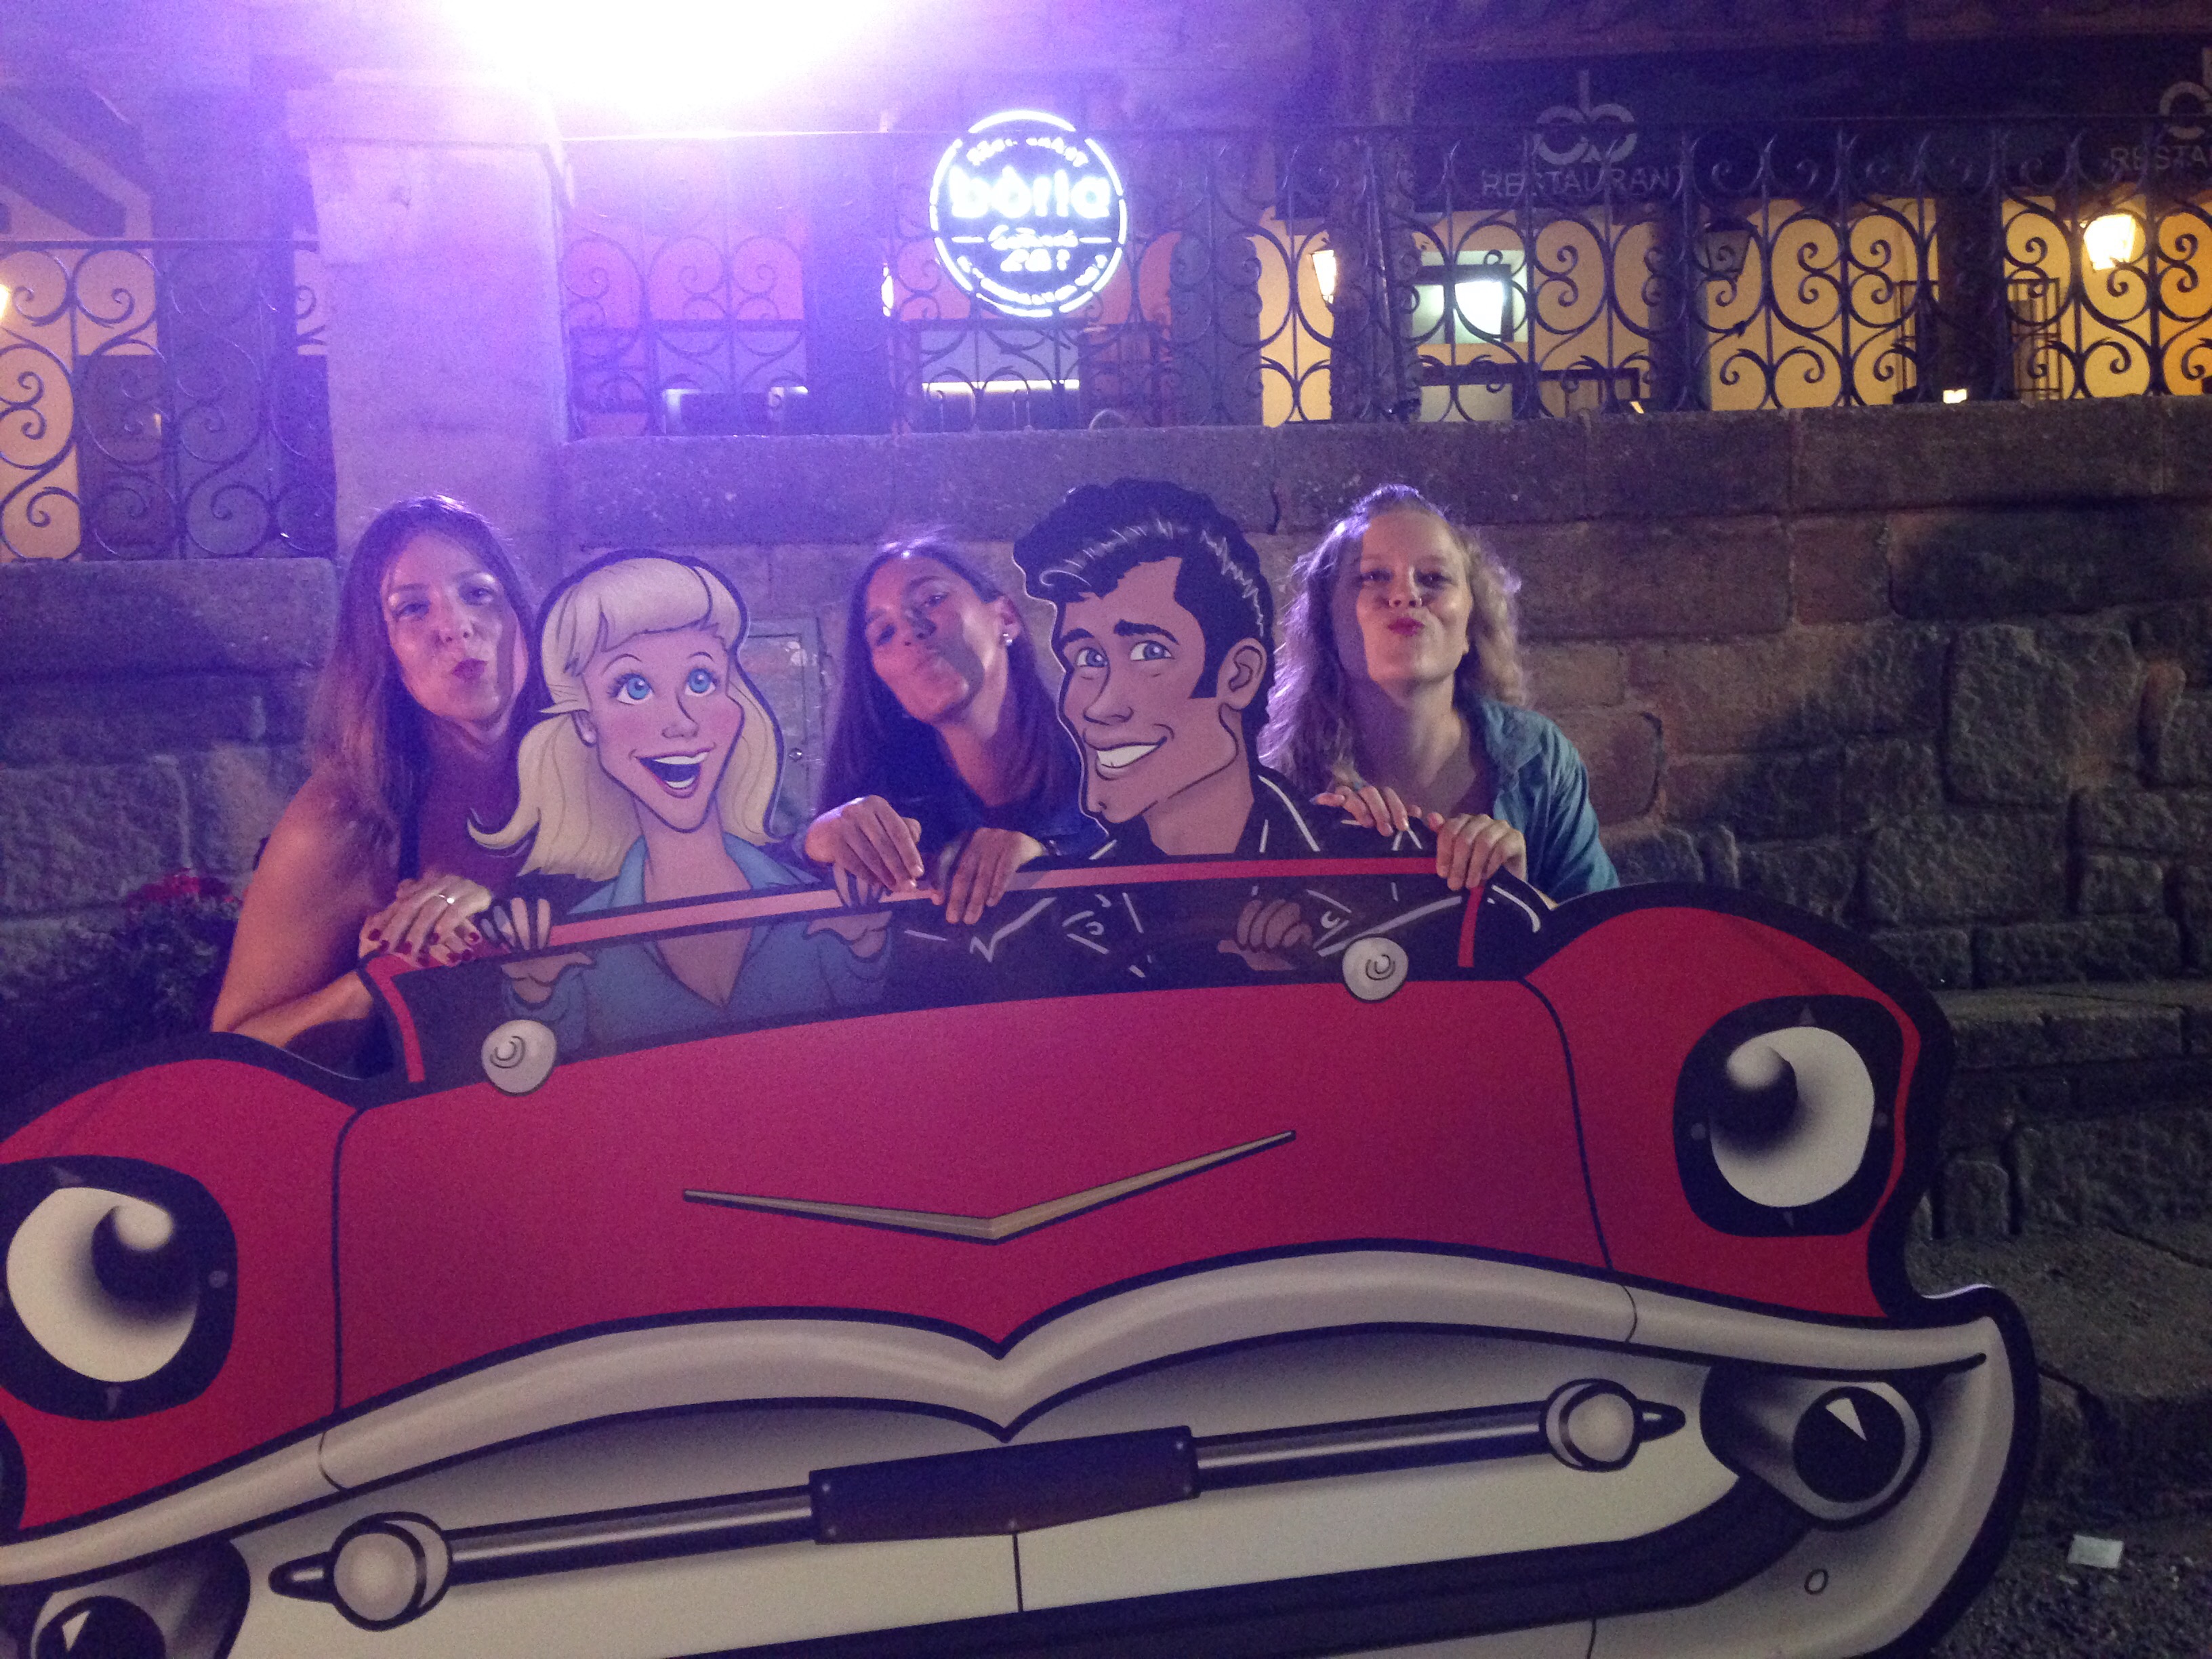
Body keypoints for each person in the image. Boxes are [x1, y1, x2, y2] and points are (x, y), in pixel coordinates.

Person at [477, 552, 885, 1055]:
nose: (681, 722)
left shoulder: (821, 900)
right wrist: (537, 998)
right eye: (634, 688)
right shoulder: (569, 943)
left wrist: (866, 953)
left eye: (700, 681)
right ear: (586, 721)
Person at [211, 497, 535, 1066]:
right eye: (412, 609)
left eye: (479, 593)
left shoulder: (609, 765)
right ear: (380, 650)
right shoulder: (343, 817)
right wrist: (375, 984)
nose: (455, 626)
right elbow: (233, 1056)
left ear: (524, 616)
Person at [1262, 483, 1617, 900]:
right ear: (1326, 623)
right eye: (1373, 576)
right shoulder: (1274, 775)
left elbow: (1605, 934)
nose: (1406, 595)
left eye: (1433, 578)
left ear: (1470, 626)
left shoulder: (1539, 758)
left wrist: (1517, 901)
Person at [804, 535, 1102, 924]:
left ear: (1006, 618)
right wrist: (817, 842)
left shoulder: (1111, 771)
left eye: (932, 600)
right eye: (885, 633)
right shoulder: (900, 817)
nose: (910, 631)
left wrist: (1046, 865)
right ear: (884, 685)